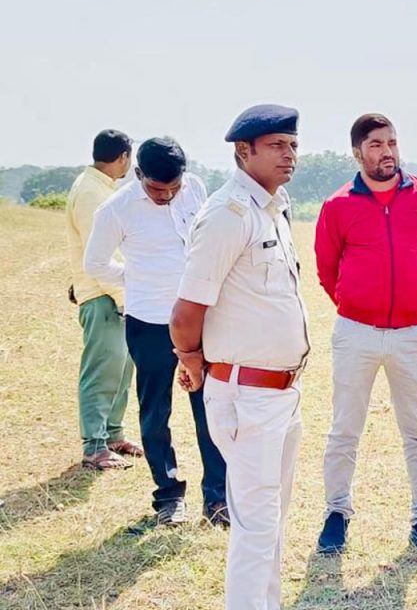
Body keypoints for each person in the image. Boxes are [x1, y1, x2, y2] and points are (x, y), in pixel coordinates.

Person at [170, 105, 307, 609]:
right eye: (277, 145)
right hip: (247, 394)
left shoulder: (272, 206)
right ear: (243, 151)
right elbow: (186, 311)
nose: (289, 155)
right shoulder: (228, 214)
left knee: (270, 523)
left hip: (281, 392)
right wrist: (191, 361)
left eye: (293, 145)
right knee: (254, 527)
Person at [314, 113, 417, 555]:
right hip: (355, 333)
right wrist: (356, 305)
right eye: (376, 144)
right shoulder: (338, 205)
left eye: (391, 142)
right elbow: (326, 269)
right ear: (358, 153)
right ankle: (336, 514)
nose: (387, 151)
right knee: (345, 428)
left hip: (411, 333)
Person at [84, 136, 227, 526]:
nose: (166, 196)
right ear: (138, 174)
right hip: (149, 321)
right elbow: (95, 263)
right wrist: (135, 278)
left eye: (173, 188)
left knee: (210, 407)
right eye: (157, 189)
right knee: (155, 411)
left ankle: (217, 497)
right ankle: (168, 496)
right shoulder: (116, 209)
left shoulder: (195, 187)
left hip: (198, 317)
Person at [65, 129, 142, 470]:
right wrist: (121, 297)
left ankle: (113, 434)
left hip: (117, 293)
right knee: (101, 370)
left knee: (121, 369)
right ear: (123, 157)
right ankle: (94, 447)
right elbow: (97, 254)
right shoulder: (90, 192)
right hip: (103, 294)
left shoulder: (101, 188)